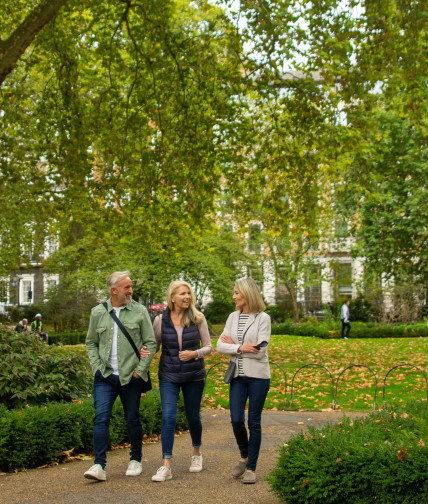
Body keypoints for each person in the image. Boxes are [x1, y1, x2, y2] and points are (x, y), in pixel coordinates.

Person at [84, 271, 156, 482]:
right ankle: (99, 465)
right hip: (105, 376)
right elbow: (91, 342)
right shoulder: (98, 312)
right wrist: (97, 367)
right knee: (101, 418)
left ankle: (136, 459)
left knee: (132, 418)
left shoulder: (140, 311)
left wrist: (139, 371)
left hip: (130, 376)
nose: (131, 291)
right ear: (114, 290)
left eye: (131, 286)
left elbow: (150, 343)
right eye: (127, 287)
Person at [150, 280, 212, 482]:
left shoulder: (198, 319)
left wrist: (195, 353)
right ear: (172, 297)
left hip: (194, 375)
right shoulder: (160, 320)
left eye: (189, 293)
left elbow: (209, 348)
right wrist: (143, 355)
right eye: (182, 294)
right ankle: (166, 465)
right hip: (169, 375)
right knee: (169, 416)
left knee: (193, 416)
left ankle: (196, 454)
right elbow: (154, 346)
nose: (187, 297)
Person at [216, 277, 271, 485]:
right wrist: (241, 347)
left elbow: (260, 351)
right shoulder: (232, 317)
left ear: (247, 294)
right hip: (237, 376)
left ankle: (251, 468)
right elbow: (220, 346)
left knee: (253, 422)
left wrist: (235, 345)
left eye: (237, 292)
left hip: (258, 377)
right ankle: (244, 454)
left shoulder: (263, 318)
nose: (234, 296)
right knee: (236, 419)